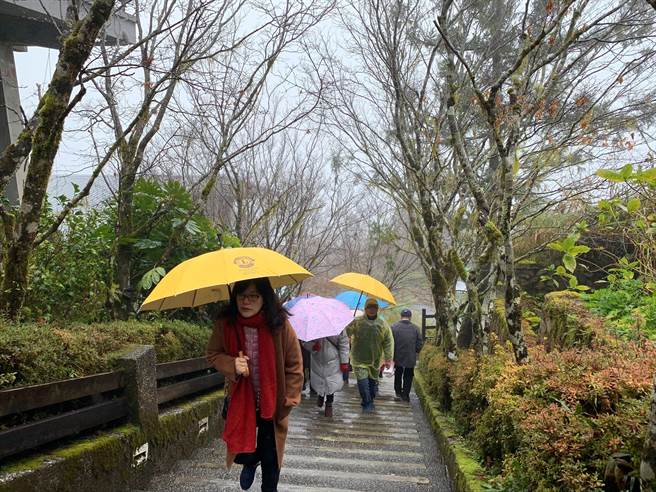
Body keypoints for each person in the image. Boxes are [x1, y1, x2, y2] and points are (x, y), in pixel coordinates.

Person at [206, 277, 303, 492]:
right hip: (242, 399)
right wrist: (232, 364)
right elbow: (213, 353)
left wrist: (289, 399)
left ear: (264, 299)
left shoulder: (279, 324)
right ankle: (250, 460)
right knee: (244, 451)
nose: (246, 302)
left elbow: (294, 365)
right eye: (242, 296)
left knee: (271, 456)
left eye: (253, 296)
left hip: (273, 400)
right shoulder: (226, 324)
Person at [345, 298, 393, 413]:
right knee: (362, 382)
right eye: (369, 307)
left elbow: (388, 341)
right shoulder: (357, 321)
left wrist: (388, 358)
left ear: (377, 309)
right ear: (365, 309)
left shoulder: (382, 324)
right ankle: (366, 403)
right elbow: (346, 333)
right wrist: (348, 325)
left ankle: (370, 399)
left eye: (374, 307)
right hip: (359, 358)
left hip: (375, 360)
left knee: (372, 385)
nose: (372, 310)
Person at [303, 329, 350, 417]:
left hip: (333, 359)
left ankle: (329, 404)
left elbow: (344, 344)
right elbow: (305, 342)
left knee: (330, 382)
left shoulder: (338, 327)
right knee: (319, 381)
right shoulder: (313, 325)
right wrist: (312, 346)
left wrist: (344, 361)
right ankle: (320, 395)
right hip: (317, 360)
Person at [391, 308, 423, 402]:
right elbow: (419, 343)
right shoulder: (416, 328)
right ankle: (405, 395)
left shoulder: (394, 327)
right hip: (410, 356)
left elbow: (390, 342)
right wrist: (415, 351)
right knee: (408, 375)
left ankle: (398, 393)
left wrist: (391, 354)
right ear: (410, 317)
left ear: (401, 316)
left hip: (397, 356)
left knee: (398, 373)